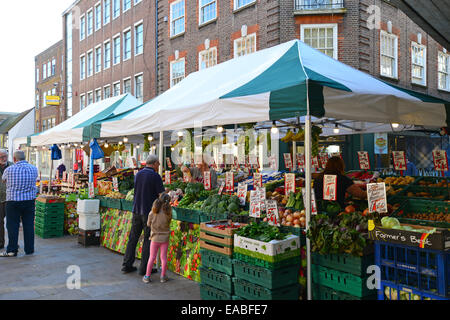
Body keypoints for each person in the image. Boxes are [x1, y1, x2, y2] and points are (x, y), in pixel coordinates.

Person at [122, 155, 165, 275]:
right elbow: (161, 195)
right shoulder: (155, 176)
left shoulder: (138, 174)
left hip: (136, 210)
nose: (159, 166)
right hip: (149, 212)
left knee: (133, 238)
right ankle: (144, 268)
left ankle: (126, 265)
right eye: (158, 164)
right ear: (155, 163)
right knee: (148, 239)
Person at [0, 150, 38, 257]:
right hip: (29, 201)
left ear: (14, 158)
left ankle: (12, 250)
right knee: (29, 225)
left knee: (12, 226)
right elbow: (35, 180)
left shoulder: (9, 169)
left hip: (13, 201)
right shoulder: (33, 168)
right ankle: (29, 249)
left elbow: (3, 181)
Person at [143, 192, 172, 283]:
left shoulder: (152, 213)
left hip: (155, 238)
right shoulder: (168, 213)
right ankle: (163, 276)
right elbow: (169, 222)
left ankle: (147, 276)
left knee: (152, 257)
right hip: (165, 238)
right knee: (163, 258)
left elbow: (148, 224)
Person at [0, 149, 13, 250]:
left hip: (11, 198)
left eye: (5, 156)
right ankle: (1, 243)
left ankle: (13, 243)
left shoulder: (12, 165)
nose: (4, 158)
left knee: (12, 222)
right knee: (0, 222)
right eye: (1, 157)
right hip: (0, 199)